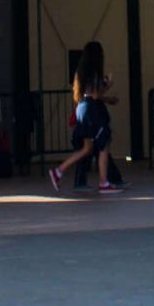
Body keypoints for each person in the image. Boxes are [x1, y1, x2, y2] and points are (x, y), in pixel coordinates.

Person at [49, 40, 121, 195]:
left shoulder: (81, 73)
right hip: (91, 111)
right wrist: (108, 86)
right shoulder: (94, 73)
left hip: (82, 109)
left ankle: (59, 171)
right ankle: (104, 182)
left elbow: (88, 94)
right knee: (103, 144)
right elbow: (95, 95)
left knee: (87, 148)